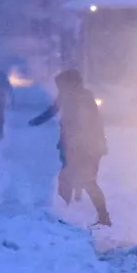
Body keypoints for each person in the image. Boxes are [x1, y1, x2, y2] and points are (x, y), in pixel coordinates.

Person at [29, 70, 111, 227]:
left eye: (61, 85)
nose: (59, 89)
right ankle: (66, 213)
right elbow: (53, 110)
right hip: (72, 146)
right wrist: (36, 121)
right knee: (68, 179)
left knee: (86, 181)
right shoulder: (66, 96)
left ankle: (102, 216)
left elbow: (94, 122)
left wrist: (95, 143)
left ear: (71, 83)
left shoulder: (84, 97)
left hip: (87, 147)